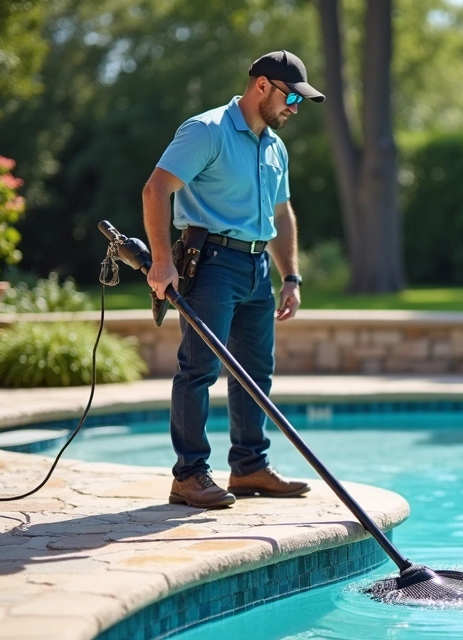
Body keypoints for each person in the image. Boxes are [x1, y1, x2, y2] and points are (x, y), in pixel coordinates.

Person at [142, 50, 325, 509]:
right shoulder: (207, 130)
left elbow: (281, 214)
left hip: (257, 267)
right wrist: (161, 261)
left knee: (254, 373)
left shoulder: (275, 146)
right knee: (199, 371)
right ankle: (189, 475)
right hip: (212, 265)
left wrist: (291, 276)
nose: (294, 109)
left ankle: (248, 467)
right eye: (291, 98)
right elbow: (156, 188)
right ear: (261, 85)